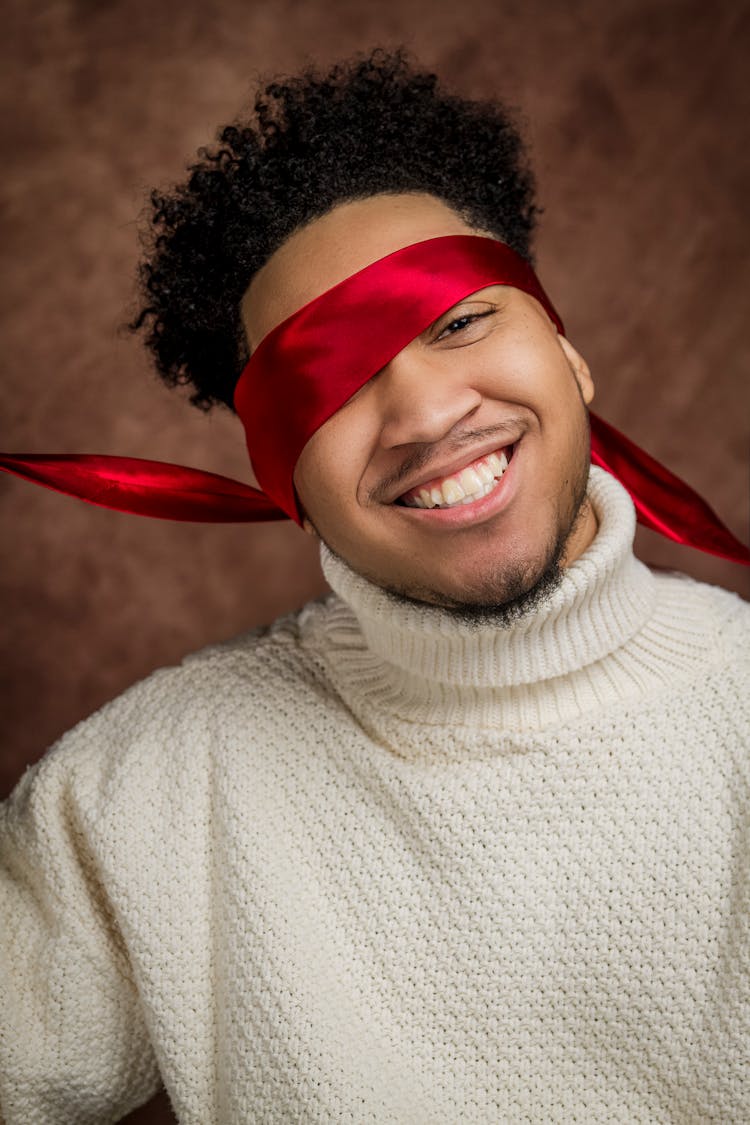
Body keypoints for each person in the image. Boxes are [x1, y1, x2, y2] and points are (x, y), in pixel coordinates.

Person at [1, 48, 748, 1125]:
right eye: (331, 379)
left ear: (568, 353)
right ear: (283, 477)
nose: (428, 413)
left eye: (458, 323)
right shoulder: (134, 798)